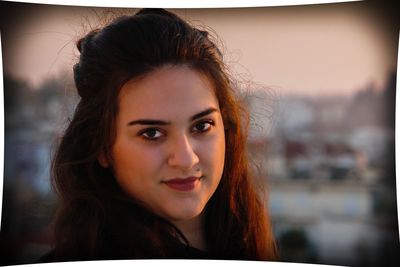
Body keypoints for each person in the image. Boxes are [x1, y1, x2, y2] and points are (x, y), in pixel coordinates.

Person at [43, 8, 278, 261]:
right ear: (101, 146)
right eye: (152, 133)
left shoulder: (249, 244)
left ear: (226, 127)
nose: (187, 159)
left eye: (201, 126)